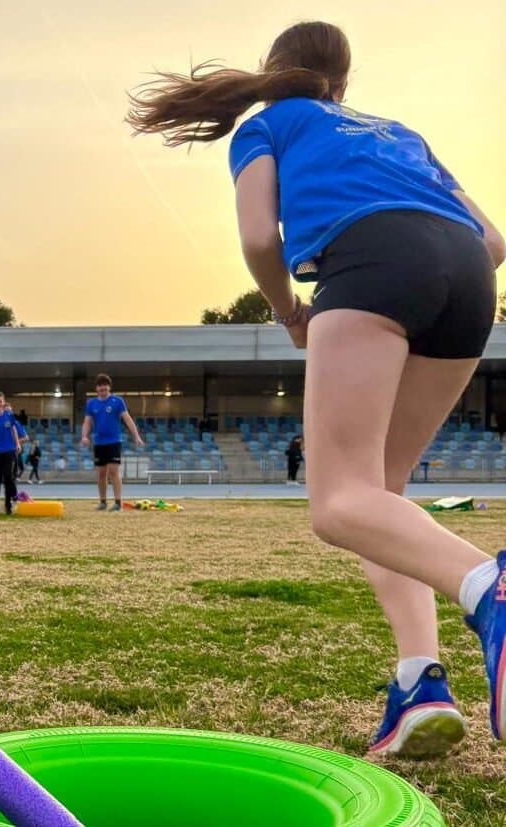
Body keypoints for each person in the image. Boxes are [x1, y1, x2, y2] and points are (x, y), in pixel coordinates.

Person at [128, 20, 506, 757]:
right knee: (380, 498)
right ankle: (418, 682)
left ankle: (489, 587)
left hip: (371, 260)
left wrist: (288, 310)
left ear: (276, 69)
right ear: (343, 82)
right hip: (468, 277)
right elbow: (493, 241)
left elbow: (260, 240)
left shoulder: (266, 124)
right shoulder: (400, 132)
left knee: (337, 504)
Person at [80, 374, 143, 511]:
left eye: (105, 390)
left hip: (114, 441)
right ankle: (103, 502)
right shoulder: (91, 404)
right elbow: (87, 421)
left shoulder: (117, 401)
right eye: (101, 390)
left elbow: (127, 419)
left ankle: (118, 503)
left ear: (109, 388)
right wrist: (84, 436)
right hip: (99, 442)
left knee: (114, 471)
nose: (103, 392)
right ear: (97, 389)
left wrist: (136, 436)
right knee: (101, 473)